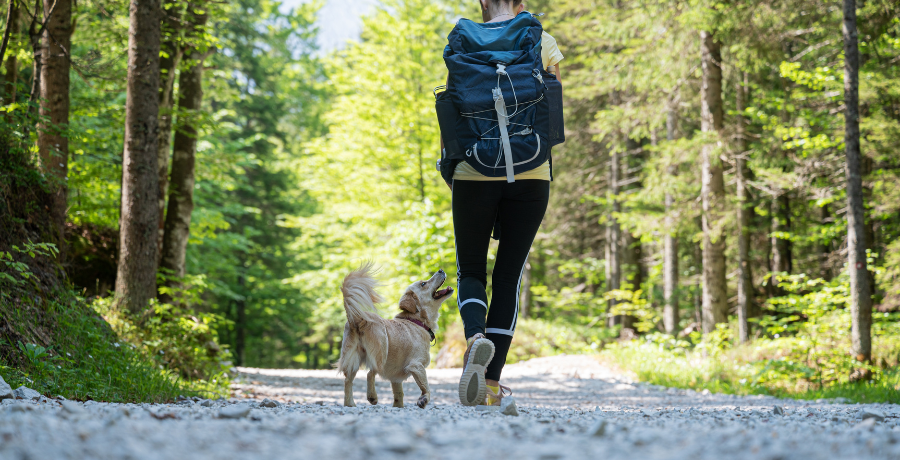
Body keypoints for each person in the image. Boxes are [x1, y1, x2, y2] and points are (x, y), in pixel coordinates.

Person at [451, 0, 564, 407]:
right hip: (532, 171)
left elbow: (456, 110)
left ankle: (475, 337)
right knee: (509, 274)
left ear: (483, 3)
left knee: (471, 269)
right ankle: (492, 385)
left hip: (473, 169)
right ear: (521, 3)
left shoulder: (463, 38)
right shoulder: (541, 39)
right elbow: (553, 111)